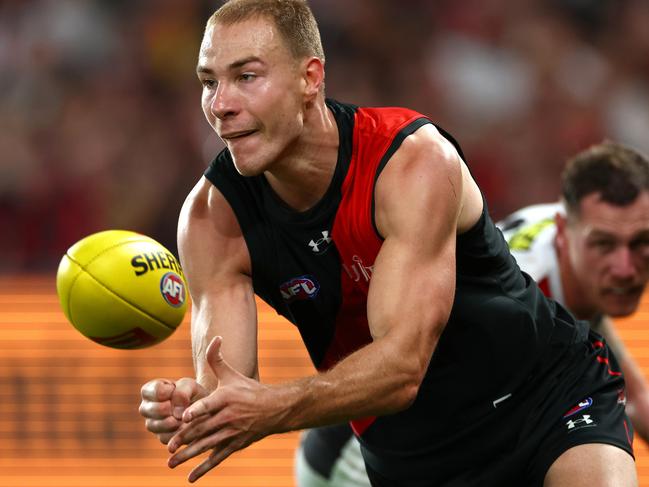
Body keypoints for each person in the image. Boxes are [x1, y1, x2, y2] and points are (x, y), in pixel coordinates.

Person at [138, 1, 637, 485]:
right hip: (416, 458)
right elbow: (229, 386)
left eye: (246, 77)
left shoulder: (410, 161)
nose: (221, 104)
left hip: (547, 399)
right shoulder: (209, 217)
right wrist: (195, 405)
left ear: (310, 77)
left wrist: (272, 407)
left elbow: (401, 368)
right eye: (209, 82)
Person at [295, 140, 649, 486]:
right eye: (604, 244)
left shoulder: (572, 239)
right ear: (563, 232)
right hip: (356, 457)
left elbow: (629, 392)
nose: (625, 268)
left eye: (641, 243)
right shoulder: (516, 302)